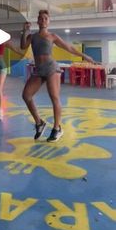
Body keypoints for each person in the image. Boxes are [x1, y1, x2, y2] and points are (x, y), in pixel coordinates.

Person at [21, 9, 95, 142]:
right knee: (26, 95)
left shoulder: (52, 36)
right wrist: (25, 30)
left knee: (54, 97)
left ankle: (57, 128)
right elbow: (22, 46)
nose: (43, 20)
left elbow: (69, 48)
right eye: (41, 18)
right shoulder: (32, 36)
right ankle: (39, 123)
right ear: (37, 21)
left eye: (45, 18)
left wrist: (84, 56)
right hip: (38, 70)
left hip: (51, 68)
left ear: (48, 22)